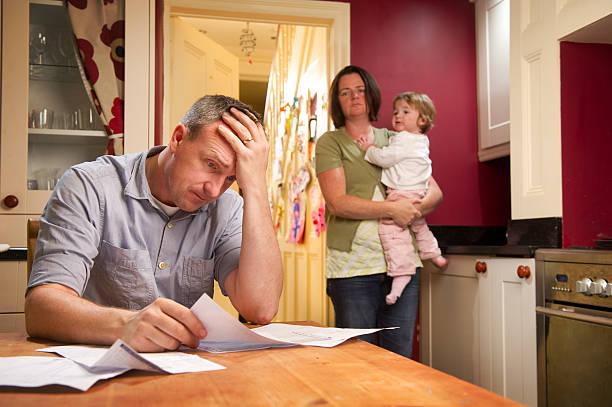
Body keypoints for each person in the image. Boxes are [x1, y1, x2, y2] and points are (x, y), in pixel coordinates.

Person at [25, 95, 283, 352]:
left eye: (231, 178)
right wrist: (125, 326)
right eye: (211, 165)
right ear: (178, 138)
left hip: (187, 374)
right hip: (97, 369)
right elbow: (41, 309)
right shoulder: (88, 186)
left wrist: (255, 186)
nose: (214, 190)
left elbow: (260, 308)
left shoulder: (227, 207)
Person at [315, 65, 443, 358]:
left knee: (399, 358)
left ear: (371, 95)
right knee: (359, 360)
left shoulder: (396, 137)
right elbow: (337, 202)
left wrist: (411, 209)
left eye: (360, 90)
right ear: (337, 101)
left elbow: (434, 191)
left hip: (402, 265)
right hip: (353, 270)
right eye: (345, 93)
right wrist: (391, 209)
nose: (354, 97)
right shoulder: (330, 143)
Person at [357, 92, 447, 306]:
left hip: (401, 194)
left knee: (391, 231)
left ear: (422, 120)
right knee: (419, 225)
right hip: (418, 192)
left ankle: (401, 273)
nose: (398, 115)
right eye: (396, 111)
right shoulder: (421, 140)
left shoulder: (403, 140)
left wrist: (368, 149)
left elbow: (385, 158)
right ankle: (433, 252)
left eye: (406, 112)